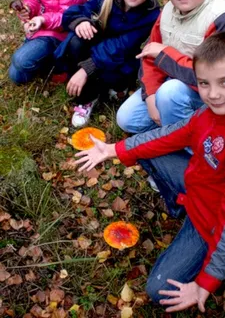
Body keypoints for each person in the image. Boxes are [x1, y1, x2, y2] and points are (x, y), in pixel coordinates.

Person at [74, 31, 225, 313]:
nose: (213, 94)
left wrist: (206, 281)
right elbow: (167, 135)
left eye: (223, 83)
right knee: (151, 150)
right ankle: (180, 206)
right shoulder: (206, 114)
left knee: (158, 290)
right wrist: (114, 150)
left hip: (214, 227)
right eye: (204, 83)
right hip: (199, 195)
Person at [116, 0, 225, 134]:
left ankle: (192, 144)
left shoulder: (218, 17)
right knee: (127, 118)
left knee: (170, 93)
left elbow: (209, 76)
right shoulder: (167, 11)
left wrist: (164, 54)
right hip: (173, 81)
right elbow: (150, 53)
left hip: (210, 93)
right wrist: (150, 94)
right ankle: (173, 127)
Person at [53, 0, 160, 127]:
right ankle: (87, 98)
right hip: (96, 51)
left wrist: (86, 69)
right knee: (75, 40)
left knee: (113, 80)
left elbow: (121, 46)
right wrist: (81, 22)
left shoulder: (151, 15)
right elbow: (74, 12)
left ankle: (112, 87)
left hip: (121, 60)